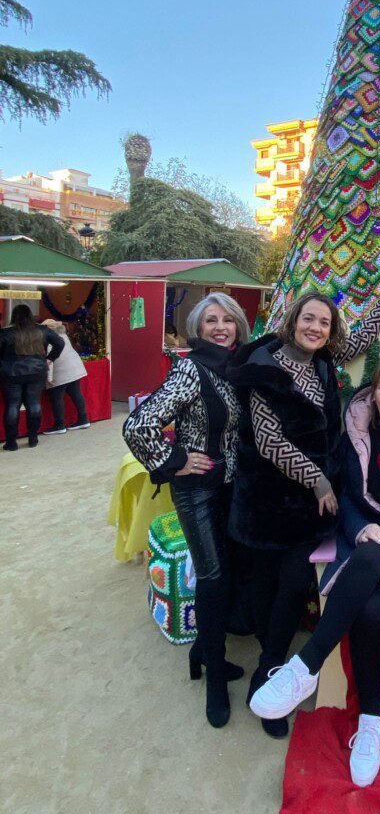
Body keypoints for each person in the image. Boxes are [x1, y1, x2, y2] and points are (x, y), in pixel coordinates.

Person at [249, 360, 380, 788]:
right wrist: (360, 527)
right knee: (369, 605)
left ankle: (304, 666)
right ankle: (371, 719)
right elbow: (346, 497)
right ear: (373, 393)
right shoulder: (354, 438)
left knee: (373, 556)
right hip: (366, 545)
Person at [226, 287, 380, 739]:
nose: (316, 327)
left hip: (306, 507)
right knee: (265, 584)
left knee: (295, 583)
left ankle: (271, 670)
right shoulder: (265, 367)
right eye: (309, 319)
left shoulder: (322, 360)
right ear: (292, 320)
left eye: (324, 322)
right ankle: (270, 666)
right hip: (266, 499)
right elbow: (267, 439)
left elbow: (355, 344)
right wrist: (319, 480)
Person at [123, 292, 250, 728]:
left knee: (227, 572)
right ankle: (215, 676)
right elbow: (138, 424)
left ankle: (202, 651)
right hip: (197, 490)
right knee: (212, 578)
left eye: (228, 319)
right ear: (197, 329)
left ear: (238, 326)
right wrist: (177, 459)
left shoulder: (235, 368)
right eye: (211, 320)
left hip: (232, 487)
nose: (220, 326)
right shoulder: (191, 369)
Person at [0, 305, 64, 451]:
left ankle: (11, 442)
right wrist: (49, 358)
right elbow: (60, 343)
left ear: (14, 316)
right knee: (34, 404)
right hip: (37, 371)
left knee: (12, 405)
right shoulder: (42, 330)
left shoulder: (6, 333)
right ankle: (33, 438)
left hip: (11, 373)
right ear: (30, 315)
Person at [40, 319, 90, 434]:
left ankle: (59, 425)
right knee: (76, 393)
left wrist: (49, 377)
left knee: (57, 396)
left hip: (60, 369)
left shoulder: (49, 337)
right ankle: (83, 419)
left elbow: (48, 358)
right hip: (74, 366)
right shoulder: (63, 334)